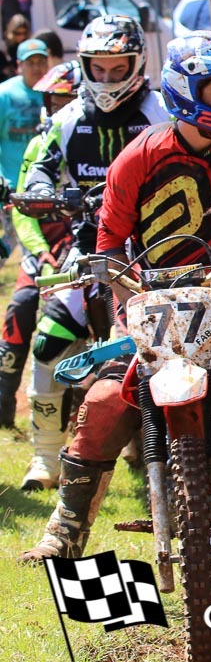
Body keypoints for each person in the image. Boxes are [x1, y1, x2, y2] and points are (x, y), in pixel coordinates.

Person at [20, 31, 211, 562]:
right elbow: (109, 247)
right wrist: (127, 296)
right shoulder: (136, 158)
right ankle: (66, 527)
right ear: (186, 93)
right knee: (104, 400)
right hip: (146, 297)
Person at [15, 15, 171, 492]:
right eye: (97, 68)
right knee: (48, 342)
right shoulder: (66, 119)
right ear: (83, 65)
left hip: (154, 253)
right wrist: (42, 193)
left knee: (165, 346)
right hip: (89, 252)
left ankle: (169, 449)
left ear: (138, 63)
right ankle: (45, 458)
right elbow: (39, 168)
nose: (106, 77)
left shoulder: (163, 113)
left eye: (117, 67)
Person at [0, 61, 80, 428]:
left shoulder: (97, 143)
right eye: (54, 101)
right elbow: (21, 208)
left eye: (67, 102)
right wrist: (39, 251)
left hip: (88, 247)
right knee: (20, 306)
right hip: (44, 248)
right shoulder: (37, 145)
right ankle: (4, 403)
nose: (59, 109)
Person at [0, 38, 50, 186]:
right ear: (19, 65)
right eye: (30, 62)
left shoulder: (56, 93)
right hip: (11, 182)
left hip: (46, 184)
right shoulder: (4, 94)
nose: (36, 67)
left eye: (41, 61)